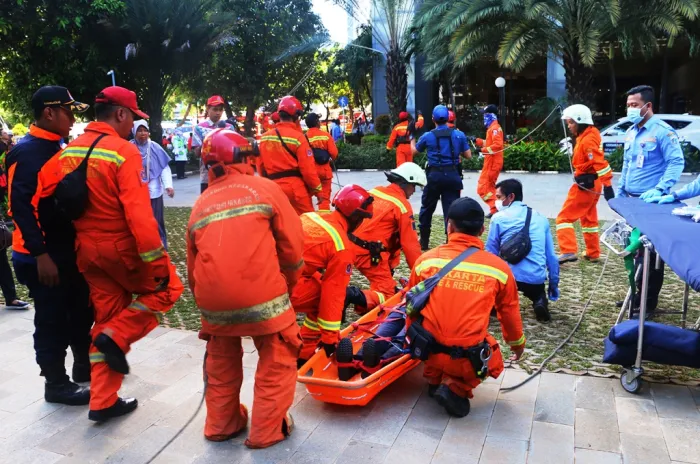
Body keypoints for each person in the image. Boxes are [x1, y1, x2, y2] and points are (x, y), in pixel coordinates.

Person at [50, 86, 184, 421]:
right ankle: (115, 337)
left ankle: (103, 401)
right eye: (133, 117)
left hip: (88, 253)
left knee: (107, 319)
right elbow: (140, 216)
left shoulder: (68, 152)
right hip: (122, 252)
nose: (133, 125)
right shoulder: (123, 152)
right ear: (121, 114)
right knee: (169, 290)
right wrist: (156, 261)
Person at [187, 128, 303, 449]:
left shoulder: (200, 204)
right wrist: (286, 287)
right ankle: (267, 430)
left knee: (221, 359)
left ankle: (221, 424)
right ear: (246, 158)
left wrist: (208, 307)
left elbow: (192, 270)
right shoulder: (265, 189)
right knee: (278, 356)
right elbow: (293, 248)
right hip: (263, 297)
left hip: (212, 304)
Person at [7, 86, 91, 405]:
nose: (72, 118)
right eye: (68, 112)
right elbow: (20, 207)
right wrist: (41, 254)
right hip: (40, 256)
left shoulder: (58, 145)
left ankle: (82, 365)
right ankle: (55, 383)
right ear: (49, 113)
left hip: (64, 251)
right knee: (52, 319)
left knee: (80, 309)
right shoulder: (26, 153)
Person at [407, 197, 525, 417]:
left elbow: (411, 307)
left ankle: (433, 378)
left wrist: (414, 342)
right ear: (481, 230)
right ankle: (456, 386)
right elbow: (509, 313)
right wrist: (518, 345)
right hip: (463, 358)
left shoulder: (426, 261)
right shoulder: (499, 269)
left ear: (449, 226)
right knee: (493, 355)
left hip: (427, 349)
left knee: (434, 326)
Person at [617, 85, 684, 314]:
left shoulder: (663, 131)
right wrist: (621, 191)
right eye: (628, 106)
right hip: (631, 201)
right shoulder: (632, 132)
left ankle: (648, 302)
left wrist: (660, 189)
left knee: (650, 255)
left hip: (651, 203)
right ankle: (635, 295)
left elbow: (676, 163)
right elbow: (627, 164)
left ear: (648, 106)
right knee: (633, 251)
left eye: (634, 105)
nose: (630, 110)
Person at [291, 185, 374, 365]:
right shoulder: (341, 247)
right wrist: (330, 339)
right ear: (356, 217)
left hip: (266, 269)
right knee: (322, 296)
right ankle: (303, 355)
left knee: (319, 284)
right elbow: (334, 294)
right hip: (278, 285)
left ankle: (303, 353)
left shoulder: (311, 216)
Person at [345, 162, 426, 312]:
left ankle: (365, 307)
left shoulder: (375, 192)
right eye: (414, 186)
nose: (414, 191)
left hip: (349, 245)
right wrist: (421, 275)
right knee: (387, 294)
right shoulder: (402, 206)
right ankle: (352, 296)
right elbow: (410, 246)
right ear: (405, 182)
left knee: (383, 281)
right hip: (369, 254)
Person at [485, 179, 559, 322]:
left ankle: (494, 304)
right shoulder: (541, 218)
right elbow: (552, 257)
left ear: (511, 197)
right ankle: (539, 301)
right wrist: (553, 286)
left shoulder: (498, 218)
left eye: (499, 197)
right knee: (537, 292)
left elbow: (490, 254)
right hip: (534, 278)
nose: (496, 201)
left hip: (506, 278)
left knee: (497, 290)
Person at [556, 104, 614, 263]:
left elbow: (599, 162)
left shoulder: (587, 139)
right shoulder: (590, 134)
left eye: (571, 123)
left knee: (563, 218)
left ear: (580, 122)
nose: (568, 126)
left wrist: (608, 185)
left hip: (585, 184)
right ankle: (593, 252)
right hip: (592, 183)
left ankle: (568, 251)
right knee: (588, 219)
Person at [412, 105, 471, 251]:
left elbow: (414, 152)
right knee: (451, 209)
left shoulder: (428, 136)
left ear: (433, 119)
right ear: (449, 118)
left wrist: (411, 137)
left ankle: (424, 240)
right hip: (452, 176)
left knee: (427, 207)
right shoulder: (459, 135)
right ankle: (450, 240)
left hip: (434, 176)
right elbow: (468, 155)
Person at [258, 96, 322, 215]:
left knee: (279, 224)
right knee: (307, 222)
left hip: (273, 188)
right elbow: (308, 170)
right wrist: (317, 190)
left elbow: (260, 167)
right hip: (295, 189)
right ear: (296, 115)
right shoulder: (298, 138)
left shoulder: (264, 138)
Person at [131, 120, 174, 250]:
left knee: (156, 221)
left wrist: (168, 186)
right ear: (134, 132)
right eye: (139, 130)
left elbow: (164, 168)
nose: (143, 133)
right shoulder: (129, 147)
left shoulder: (154, 147)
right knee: (139, 222)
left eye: (145, 130)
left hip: (154, 192)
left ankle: (161, 247)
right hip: (136, 193)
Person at [191, 95, 233, 193]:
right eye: (215, 109)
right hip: (207, 175)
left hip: (228, 173)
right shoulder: (199, 128)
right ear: (208, 109)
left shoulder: (229, 127)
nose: (218, 113)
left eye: (220, 110)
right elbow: (196, 153)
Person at [474, 104, 504, 217]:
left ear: (491, 115)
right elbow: (490, 143)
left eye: (485, 115)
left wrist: (482, 150)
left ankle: (496, 207)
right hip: (491, 162)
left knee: (483, 189)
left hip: (493, 163)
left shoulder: (495, 129)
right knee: (489, 188)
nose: (484, 117)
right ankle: (494, 209)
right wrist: (477, 141)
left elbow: (497, 145)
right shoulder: (492, 128)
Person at [305, 113, 339, 210]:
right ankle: (324, 219)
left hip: (310, 172)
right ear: (316, 122)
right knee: (324, 199)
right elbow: (334, 153)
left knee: (307, 197)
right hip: (324, 172)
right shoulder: (325, 135)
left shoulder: (304, 137)